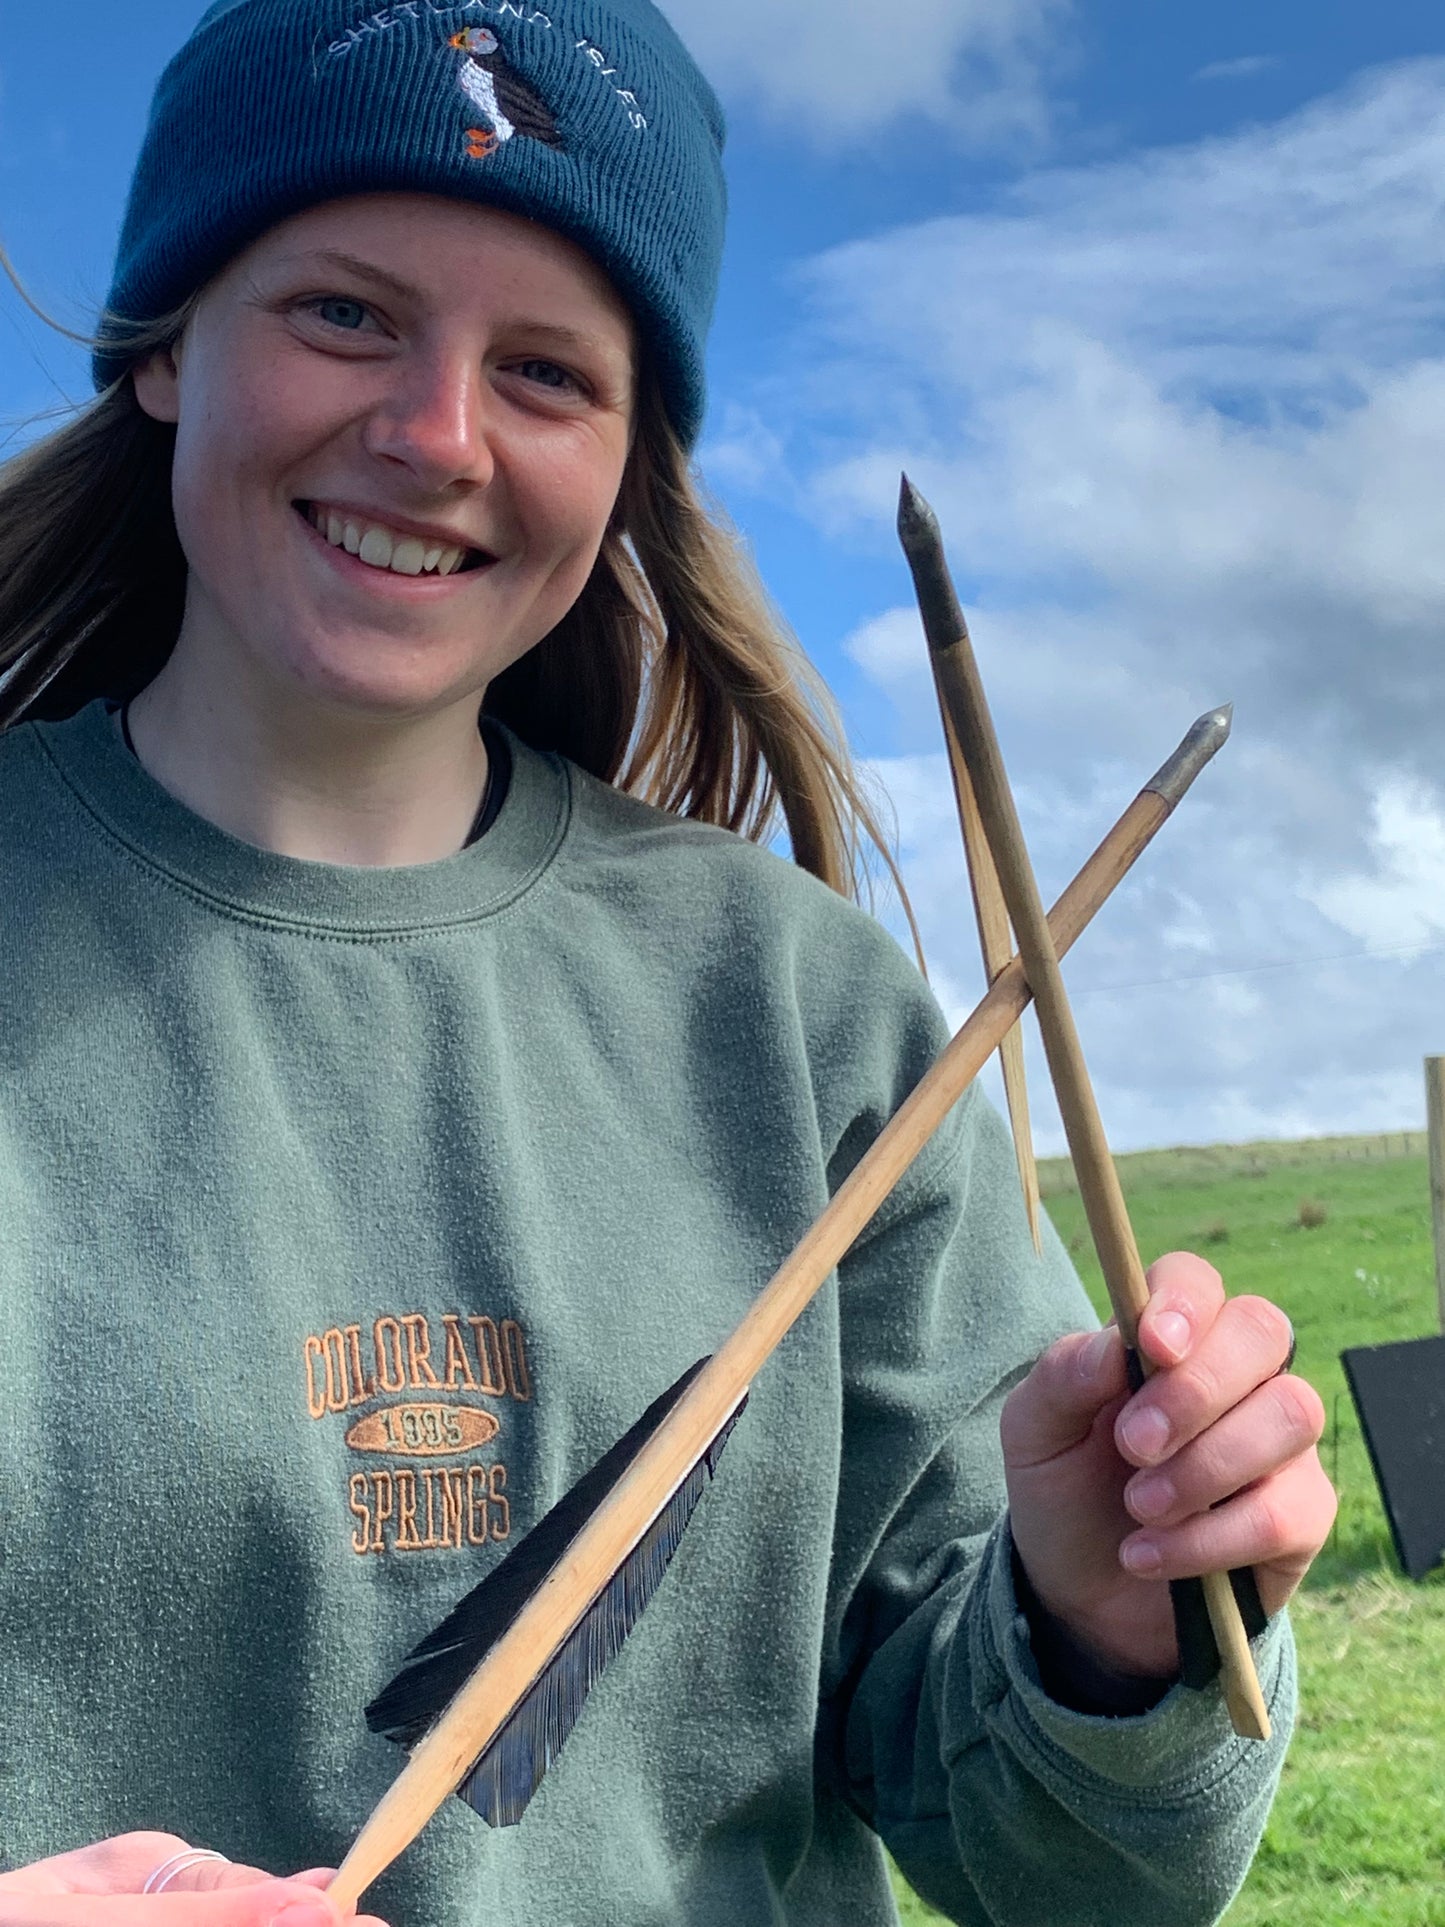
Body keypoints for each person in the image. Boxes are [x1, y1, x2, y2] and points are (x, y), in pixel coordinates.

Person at [0, 2, 1335, 1923]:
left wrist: (1107, 1634)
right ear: (165, 346)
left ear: (630, 462)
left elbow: (1079, 1877)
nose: (435, 435)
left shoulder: (803, 1022)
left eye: (545, 371)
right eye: (344, 314)